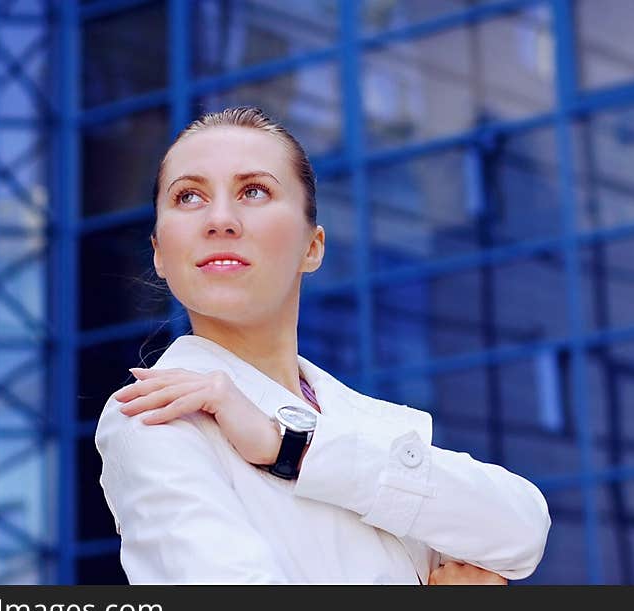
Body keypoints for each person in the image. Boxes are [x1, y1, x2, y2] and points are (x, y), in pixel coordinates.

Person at [94, 106, 551, 584]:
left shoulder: (350, 419)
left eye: (254, 191)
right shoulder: (156, 416)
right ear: (160, 253)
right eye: (189, 196)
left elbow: (523, 530)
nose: (220, 219)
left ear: (312, 247)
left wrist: (292, 447)